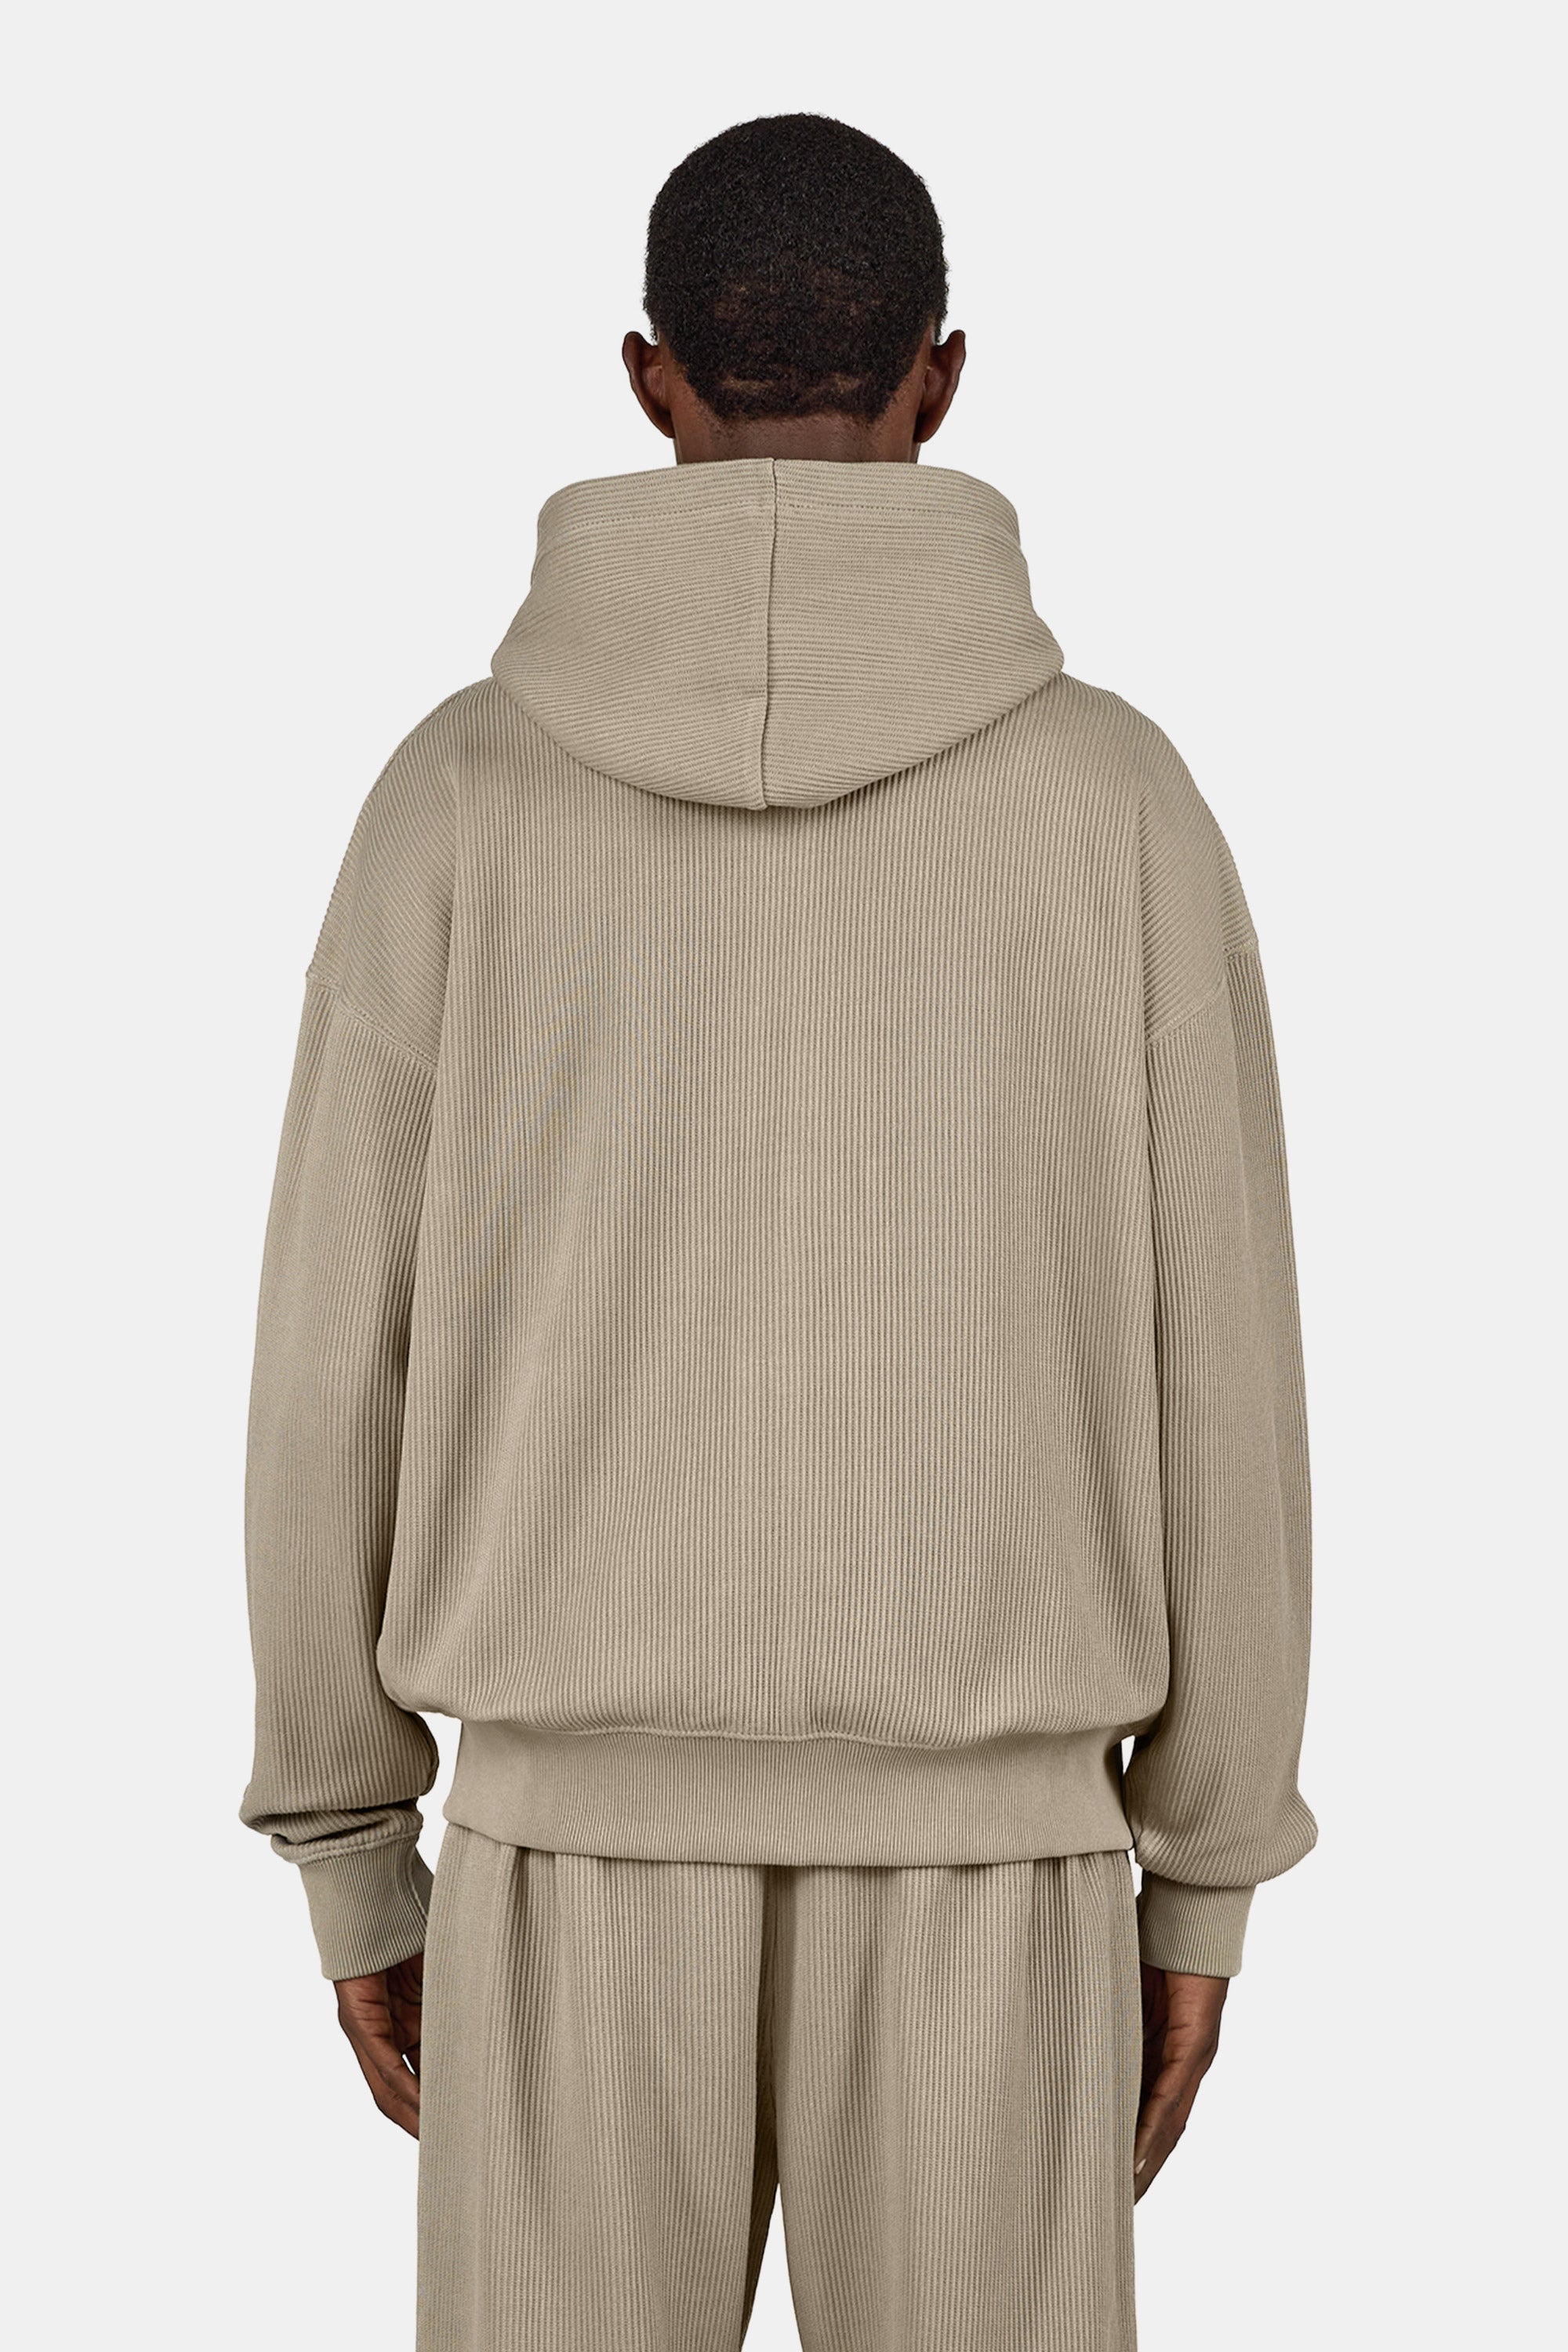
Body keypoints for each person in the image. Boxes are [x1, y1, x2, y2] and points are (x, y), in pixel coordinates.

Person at [241, 111, 1316, 2352]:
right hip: (994, 1864)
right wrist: (1203, 1863)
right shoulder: (1114, 804)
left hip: (564, 1863)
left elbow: (336, 1347)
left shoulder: (458, 797)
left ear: (649, 381)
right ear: (943, 378)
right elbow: (1222, 1361)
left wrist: (351, 1841)